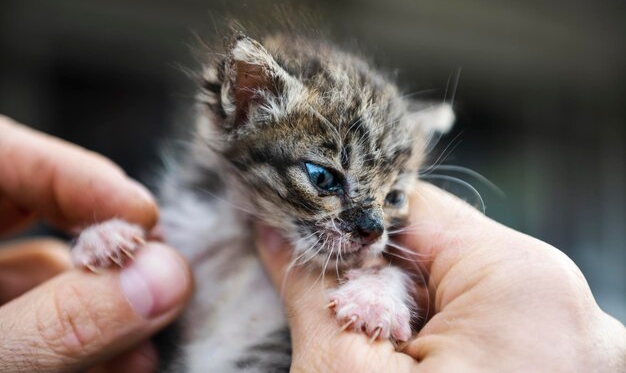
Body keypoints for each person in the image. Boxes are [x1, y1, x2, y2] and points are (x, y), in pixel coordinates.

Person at [0, 115, 624, 373]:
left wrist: (386, 284)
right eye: (324, 180)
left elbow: (401, 289)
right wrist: (113, 246)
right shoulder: (200, 212)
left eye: (391, 198)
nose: (370, 225)